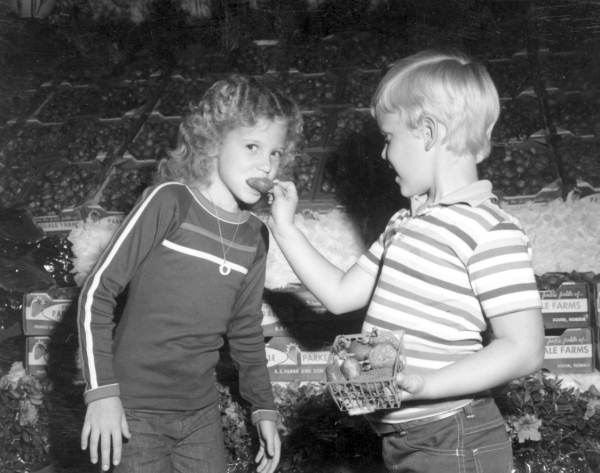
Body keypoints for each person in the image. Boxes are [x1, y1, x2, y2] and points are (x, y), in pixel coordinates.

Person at [268, 50, 545, 473]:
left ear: (429, 133)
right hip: (407, 440)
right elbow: (341, 295)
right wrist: (285, 229)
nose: (383, 155)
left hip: (454, 436)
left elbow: (524, 349)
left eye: (388, 138)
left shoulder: (488, 230)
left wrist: (429, 384)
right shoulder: (404, 224)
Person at [77, 74, 303, 473]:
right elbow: (98, 290)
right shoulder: (171, 201)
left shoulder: (256, 236)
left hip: (199, 414)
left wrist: (263, 408)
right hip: (134, 411)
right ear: (213, 141)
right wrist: (102, 394)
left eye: (276, 153)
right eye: (252, 146)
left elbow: (246, 329)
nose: (266, 164)